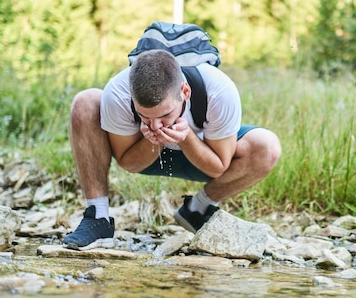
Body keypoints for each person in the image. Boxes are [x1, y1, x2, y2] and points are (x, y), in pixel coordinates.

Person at [63, 48, 281, 249]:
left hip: (204, 155)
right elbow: (128, 163)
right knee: (85, 102)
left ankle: (198, 210)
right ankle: (97, 218)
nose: (156, 125)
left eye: (165, 114)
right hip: (143, 153)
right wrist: (153, 139)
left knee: (267, 146)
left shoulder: (219, 90)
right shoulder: (118, 91)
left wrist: (186, 137)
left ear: (184, 91)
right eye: (145, 116)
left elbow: (217, 168)